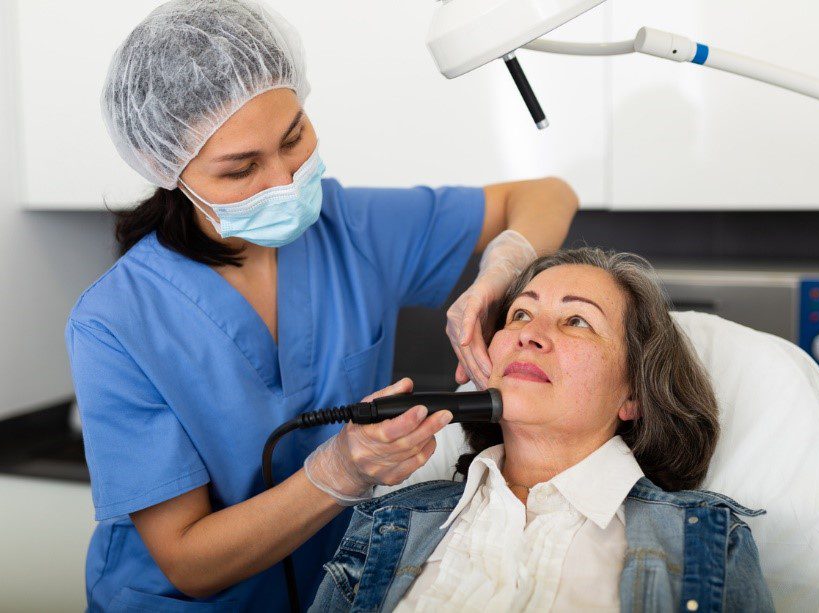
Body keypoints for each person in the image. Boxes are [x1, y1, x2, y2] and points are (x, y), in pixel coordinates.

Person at [65, 1, 578, 611]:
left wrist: (504, 266)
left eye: (293, 138)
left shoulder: (349, 228)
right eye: (241, 169)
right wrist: (336, 472)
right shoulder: (115, 322)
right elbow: (188, 562)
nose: (285, 180)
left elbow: (549, 195)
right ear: (168, 168)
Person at [311, 248, 775, 612]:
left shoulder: (706, 539)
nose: (530, 334)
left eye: (577, 321)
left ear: (632, 395)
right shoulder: (388, 521)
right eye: (519, 315)